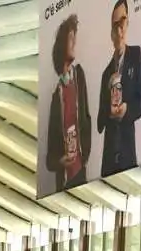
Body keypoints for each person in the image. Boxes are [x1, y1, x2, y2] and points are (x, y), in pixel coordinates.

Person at [97, 0, 141, 177]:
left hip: (127, 151)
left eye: (123, 22)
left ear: (128, 23)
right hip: (109, 157)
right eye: (115, 25)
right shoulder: (105, 74)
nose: (120, 30)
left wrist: (126, 109)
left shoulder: (135, 55)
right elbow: (99, 123)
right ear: (111, 32)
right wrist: (108, 112)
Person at [46, 14, 91, 192]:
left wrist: (85, 153)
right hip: (64, 181)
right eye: (70, 38)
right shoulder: (56, 97)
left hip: (81, 171)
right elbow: (50, 156)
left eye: (74, 37)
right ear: (62, 44)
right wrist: (60, 162)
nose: (74, 42)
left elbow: (86, 117)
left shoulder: (79, 76)